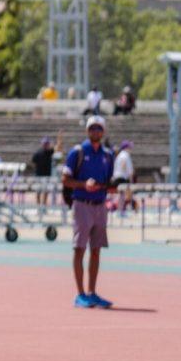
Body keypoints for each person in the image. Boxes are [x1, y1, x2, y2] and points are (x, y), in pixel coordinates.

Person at [62, 115, 116, 309]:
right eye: (92, 128)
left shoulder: (108, 155)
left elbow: (109, 181)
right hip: (82, 204)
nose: (95, 132)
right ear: (87, 131)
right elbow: (66, 179)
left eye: (99, 128)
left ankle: (92, 292)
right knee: (80, 248)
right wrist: (84, 184)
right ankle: (80, 294)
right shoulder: (77, 152)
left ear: (103, 131)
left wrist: (112, 187)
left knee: (96, 250)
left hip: (100, 205)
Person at [112, 140, 135, 213]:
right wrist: (130, 179)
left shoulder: (120, 155)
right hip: (122, 177)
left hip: (118, 177)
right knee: (124, 194)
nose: (131, 149)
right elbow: (126, 167)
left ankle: (121, 209)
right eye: (129, 147)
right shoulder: (125, 155)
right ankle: (121, 210)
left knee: (122, 194)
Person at [31, 137, 55, 207]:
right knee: (38, 191)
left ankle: (44, 206)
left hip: (47, 175)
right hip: (39, 175)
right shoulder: (37, 153)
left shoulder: (50, 152)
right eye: (45, 143)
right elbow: (33, 162)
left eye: (47, 143)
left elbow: (57, 148)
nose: (46, 145)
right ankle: (38, 206)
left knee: (46, 191)